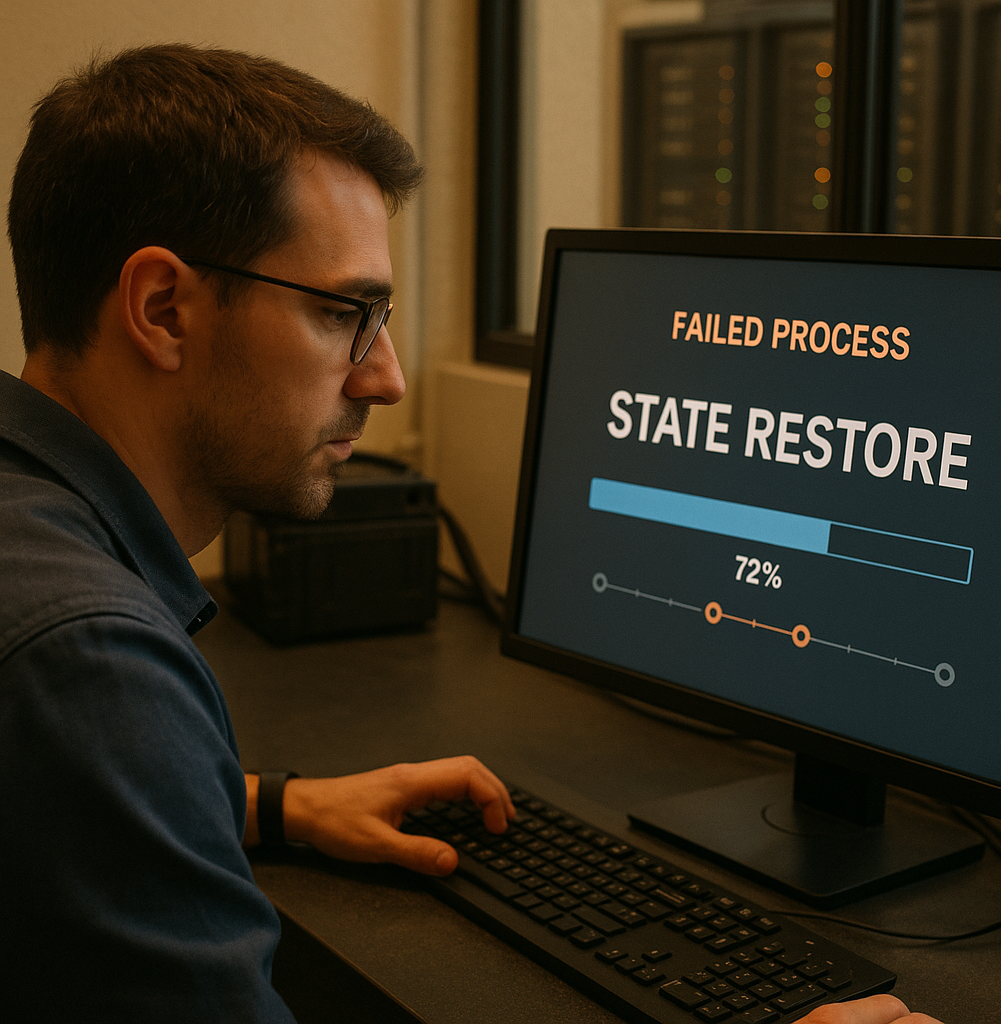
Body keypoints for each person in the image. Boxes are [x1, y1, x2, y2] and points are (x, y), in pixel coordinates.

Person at [0, 43, 944, 1024]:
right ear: (162, 309)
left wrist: (265, 805)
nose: (386, 377)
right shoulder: (87, 659)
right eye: (343, 314)